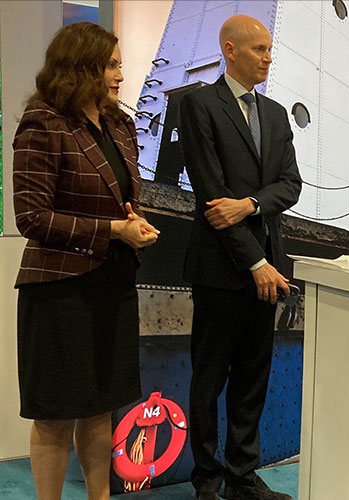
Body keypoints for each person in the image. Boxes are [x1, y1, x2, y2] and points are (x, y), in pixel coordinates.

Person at [12, 22, 158, 500]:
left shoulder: (120, 124)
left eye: (119, 64)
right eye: (111, 65)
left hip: (112, 283)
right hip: (60, 289)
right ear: (81, 67)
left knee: (101, 407)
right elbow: (32, 217)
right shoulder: (42, 122)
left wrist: (134, 223)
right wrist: (113, 230)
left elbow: (120, 199)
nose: (121, 75)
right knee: (55, 415)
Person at [179, 15, 301, 500]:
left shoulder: (275, 114)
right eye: (259, 49)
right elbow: (212, 197)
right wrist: (255, 263)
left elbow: (290, 185)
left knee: (253, 380)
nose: (268, 57)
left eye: (269, 49)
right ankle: (207, 482)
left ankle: (241, 480)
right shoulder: (198, 105)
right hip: (221, 269)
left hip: (266, 269)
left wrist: (250, 204)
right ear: (230, 50)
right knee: (208, 380)